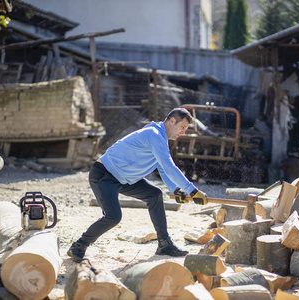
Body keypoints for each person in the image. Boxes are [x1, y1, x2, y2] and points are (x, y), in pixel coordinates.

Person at [67, 107, 208, 262]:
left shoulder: (160, 138)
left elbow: (162, 168)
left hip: (124, 178)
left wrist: (176, 189)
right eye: (182, 127)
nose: (183, 132)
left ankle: (164, 244)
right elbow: (169, 167)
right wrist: (192, 191)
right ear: (172, 121)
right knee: (113, 216)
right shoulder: (154, 135)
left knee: (154, 195)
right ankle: (78, 246)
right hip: (104, 175)